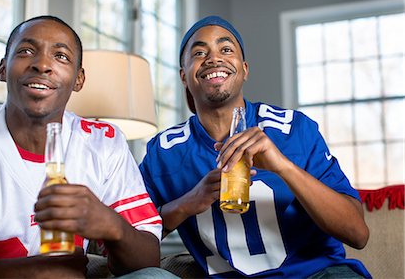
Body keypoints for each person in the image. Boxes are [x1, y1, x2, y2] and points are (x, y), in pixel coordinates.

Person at [139, 15, 371, 278]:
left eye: (226, 49)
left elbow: (358, 234)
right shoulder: (164, 153)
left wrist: (283, 166)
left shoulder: (295, 129)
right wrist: (185, 204)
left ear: (245, 69)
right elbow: (126, 237)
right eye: (200, 52)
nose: (214, 58)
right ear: (184, 76)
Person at [0, 15, 176, 278]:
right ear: (3, 68)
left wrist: (111, 225)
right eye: (26, 51)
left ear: (79, 79)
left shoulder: (102, 141)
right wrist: (29, 273)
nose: (42, 64)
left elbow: (148, 259)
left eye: (61, 56)